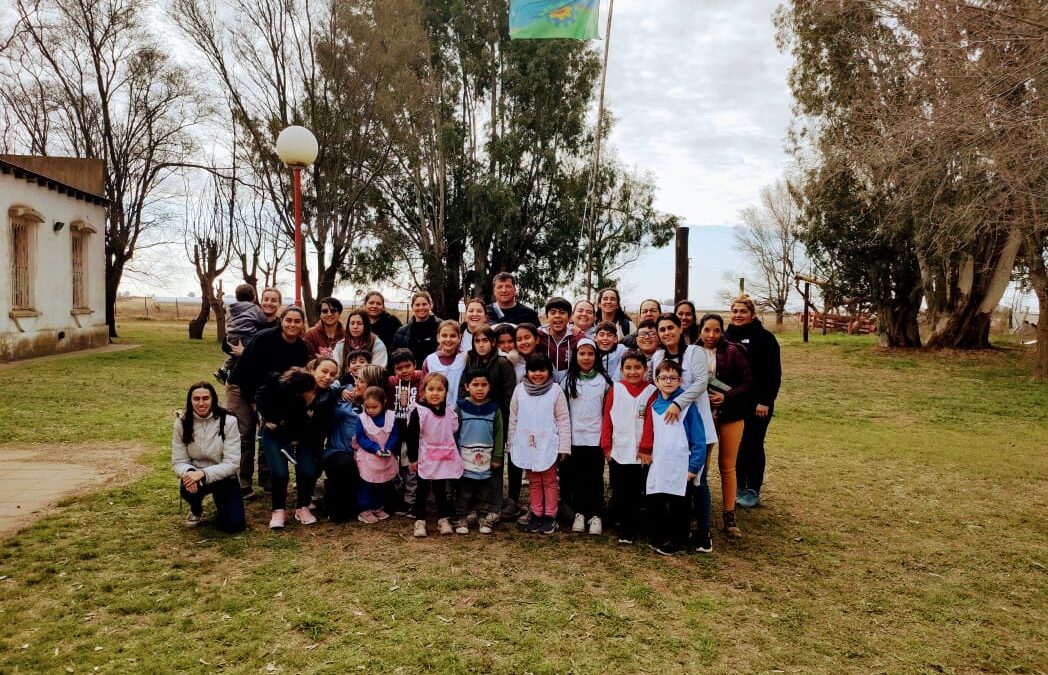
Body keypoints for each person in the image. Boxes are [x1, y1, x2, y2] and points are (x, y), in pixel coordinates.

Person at [227, 305, 311, 498]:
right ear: (281, 321)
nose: (292, 324)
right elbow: (246, 371)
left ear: (302, 324)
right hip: (242, 386)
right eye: (288, 320)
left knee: (270, 430)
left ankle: (267, 478)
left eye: (297, 321)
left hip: (273, 393)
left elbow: (293, 381)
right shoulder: (264, 338)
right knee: (245, 433)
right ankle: (243, 480)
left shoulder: (301, 348)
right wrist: (254, 403)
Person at [255, 357, 339, 529]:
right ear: (313, 369)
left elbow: (321, 426)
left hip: (304, 437)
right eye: (324, 371)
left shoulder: (329, 396)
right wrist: (271, 418)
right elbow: (262, 393)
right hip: (276, 434)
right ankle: (278, 510)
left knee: (308, 471)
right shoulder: (294, 382)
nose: (328, 377)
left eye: (333, 374)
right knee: (280, 473)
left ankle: (303, 507)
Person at [638, 360, 707, 556]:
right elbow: (650, 433)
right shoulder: (654, 405)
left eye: (673, 378)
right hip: (659, 464)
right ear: (656, 381)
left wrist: (693, 468)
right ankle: (659, 536)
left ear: (680, 381)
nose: (668, 381)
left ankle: (677, 541)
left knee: (680, 506)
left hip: (681, 465)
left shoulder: (687, 406)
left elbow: (698, 440)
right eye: (664, 378)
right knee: (656, 502)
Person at [699, 312, 753, 539]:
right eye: (707, 330)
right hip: (704, 416)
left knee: (727, 465)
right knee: (701, 464)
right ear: (700, 330)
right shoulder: (692, 351)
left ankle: (729, 516)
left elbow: (748, 383)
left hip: (731, 415)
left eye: (716, 330)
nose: (711, 335)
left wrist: (727, 396)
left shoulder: (733, 351)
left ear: (722, 332)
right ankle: (697, 511)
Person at [724, 294, 781, 508]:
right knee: (736, 445)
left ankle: (752, 488)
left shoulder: (765, 338)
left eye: (743, 311)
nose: (738, 315)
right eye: (735, 311)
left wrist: (765, 400)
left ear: (752, 314)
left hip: (758, 404)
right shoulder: (726, 336)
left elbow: (773, 373)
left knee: (753, 444)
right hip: (734, 402)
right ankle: (739, 485)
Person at [507, 353, 571, 535]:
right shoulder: (519, 390)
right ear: (527, 372)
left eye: (542, 370)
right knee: (534, 481)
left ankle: (550, 516)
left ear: (549, 372)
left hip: (548, 444)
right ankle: (536, 513)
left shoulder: (556, 391)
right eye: (533, 370)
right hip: (526, 443)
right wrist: (511, 444)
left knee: (549, 481)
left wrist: (564, 446)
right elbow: (513, 418)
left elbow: (563, 419)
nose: (537, 374)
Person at [171, 381, 245, 532]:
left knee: (233, 525)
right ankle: (195, 508)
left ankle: (223, 504)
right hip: (195, 477)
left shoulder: (229, 421)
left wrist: (204, 473)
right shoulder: (182, 423)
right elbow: (178, 461)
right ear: (190, 401)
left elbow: (232, 463)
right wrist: (189, 472)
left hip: (224, 477)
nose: (201, 403)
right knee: (187, 487)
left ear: (213, 400)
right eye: (196, 399)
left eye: (205, 398)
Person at [600, 350, 656, 545]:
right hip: (619, 451)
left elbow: (650, 423)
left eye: (637, 367)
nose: (633, 372)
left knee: (637, 491)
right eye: (628, 368)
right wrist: (606, 446)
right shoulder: (615, 389)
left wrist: (646, 448)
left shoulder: (651, 391)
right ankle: (624, 528)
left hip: (641, 454)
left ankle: (637, 526)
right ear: (622, 370)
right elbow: (607, 419)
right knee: (620, 491)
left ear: (645, 369)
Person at [563, 338, 611, 535]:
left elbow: (607, 412)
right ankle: (580, 513)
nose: (586, 358)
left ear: (596, 356)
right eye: (582, 354)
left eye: (590, 354)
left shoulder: (604, 381)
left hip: (595, 439)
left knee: (595, 477)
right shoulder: (567, 380)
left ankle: (596, 515)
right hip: (575, 438)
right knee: (577, 477)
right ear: (575, 356)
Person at [406, 372, 463, 537]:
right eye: (431, 389)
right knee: (422, 489)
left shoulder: (449, 412)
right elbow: (411, 436)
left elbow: (453, 429)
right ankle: (420, 520)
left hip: (443, 457)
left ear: (446, 392)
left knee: (440, 489)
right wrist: (413, 458)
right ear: (424, 391)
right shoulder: (419, 412)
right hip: (425, 457)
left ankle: (442, 519)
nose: (435, 393)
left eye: (440, 389)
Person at [453, 369, 504, 535]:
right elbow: (454, 433)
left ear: (489, 386)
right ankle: (462, 517)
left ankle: (483, 516)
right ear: (467, 387)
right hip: (464, 457)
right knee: (464, 490)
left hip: (486, 458)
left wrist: (497, 456)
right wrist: (454, 455)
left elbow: (499, 434)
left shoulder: (494, 409)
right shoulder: (461, 408)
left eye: (484, 385)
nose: (480, 388)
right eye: (475, 385)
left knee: (484, 489)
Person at [353, 385, 400, 524]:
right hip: (368, 455)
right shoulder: (362, 419)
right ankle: (365, 509)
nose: (371, 410)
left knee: (380, 481)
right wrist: (374, 448)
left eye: (374, 407)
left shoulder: (391, 416)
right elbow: (361, 437)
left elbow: (394, 434)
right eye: (367, 407)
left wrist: (388, 448)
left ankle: (377, 506)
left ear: (383, 403)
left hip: (384, 455)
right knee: (367, 483)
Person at [386, 349, 423, 516]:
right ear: (394, 369)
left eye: (408, 366)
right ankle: (399, 498)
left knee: (411, 468)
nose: (404, 371)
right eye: (399, 368)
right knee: (397, 467)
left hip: (413, 433)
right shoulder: (391, 382)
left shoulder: (422, 379)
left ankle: (411, 500)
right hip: (395, 431)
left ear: (414, 364)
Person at [324, 374, 362, 524]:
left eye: (361, 381)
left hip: (365, 452)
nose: (356, 384)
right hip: (338, 450)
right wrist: (340, 392)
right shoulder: (344, 402)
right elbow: (327, 391)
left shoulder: (375, 404)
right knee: (344, 464)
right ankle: (335, 509)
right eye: (356, 381)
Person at [215, 284, 269, 385]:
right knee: (247, 354)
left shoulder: (232, 308)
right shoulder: (254, 308)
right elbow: (263, 320)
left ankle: (223, 370)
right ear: (254, 297)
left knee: (235, 356)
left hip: (231, 337)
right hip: (246, 336)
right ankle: (232, 375)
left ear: (237, 297)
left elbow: (228, 320)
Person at [422, 319, 467, 401]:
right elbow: (422, 388)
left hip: (458, 407)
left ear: (459, 338)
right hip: (434, 407)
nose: (448, 339)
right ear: (438, 337)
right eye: (444, 336)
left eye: (453, 336)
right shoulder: (430, 360)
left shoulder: (465, 359)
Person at [394, 291, 442, 365]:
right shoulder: (402, 332)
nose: (421, 307)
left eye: (424, 304)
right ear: (412, 307)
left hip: (435, 370)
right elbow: (396, 358)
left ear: (431, 305)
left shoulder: (442, 327)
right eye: (417, 305)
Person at [538, 297, 576, 383]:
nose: (557, 315)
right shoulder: (538, 335)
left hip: (570, 385)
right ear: (547, 316)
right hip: (544, 386)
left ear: (569, 317)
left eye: (562, 312)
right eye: (553, 312)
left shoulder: (576, 337)